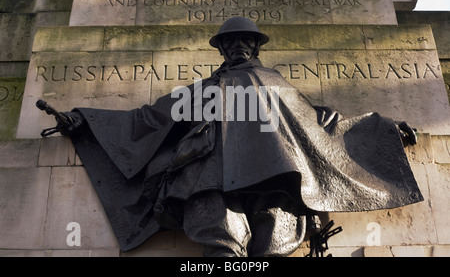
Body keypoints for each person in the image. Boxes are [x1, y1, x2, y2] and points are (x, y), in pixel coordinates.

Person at [39, 17, 422, 257]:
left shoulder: (276, 84)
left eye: (245, 41)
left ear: (255, 46)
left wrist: (383, 131)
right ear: (222, 48)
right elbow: (150, 119)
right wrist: (85, 120)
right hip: (211, 173)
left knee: (274, 236)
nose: (238, 46)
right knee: (219, 239)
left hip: (274, 173)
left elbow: (319, 121)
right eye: (231, 42)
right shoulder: (204, 88)